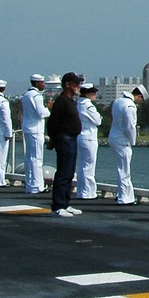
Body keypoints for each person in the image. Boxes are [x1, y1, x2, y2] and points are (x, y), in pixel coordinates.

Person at [48, 72, 83, 217]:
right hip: (64, 138)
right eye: (75, 84)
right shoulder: (61, 101)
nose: (77, 87)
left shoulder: (70, 101)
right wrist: (53, 139)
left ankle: (65, 203)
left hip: (72, 139)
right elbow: (53, 122)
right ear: (67, 85)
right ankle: (58, 205)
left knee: (69, 173)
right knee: (63, 172)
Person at [109, 85, 148, 205]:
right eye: (141, 100)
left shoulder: (118, 101)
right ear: (139, 96)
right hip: (122, 139)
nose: (140, 103)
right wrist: (133, 141)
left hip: (113, 136)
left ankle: (122, 194)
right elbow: (130, 127)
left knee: (121, 168)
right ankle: (125, 198)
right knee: (125, 170)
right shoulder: (130, 106)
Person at [21, 74, 51, 194]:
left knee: (29, 158)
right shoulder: (36, 96)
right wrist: (48, 108)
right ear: (37, 83)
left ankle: (30, 184)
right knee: (36, 158)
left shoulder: (26, 95)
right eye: (42, 82)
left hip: (28, 128)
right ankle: (37, 185)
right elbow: (41, 113)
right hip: (35, 129)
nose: (44, 85)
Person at [75, 83, 102, 200]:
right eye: (93, 92)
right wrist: (100, 117)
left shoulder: (78, 105)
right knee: (89, 166)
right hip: (89, 137)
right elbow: (98, 120)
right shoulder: (89, 106)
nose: (95, 95)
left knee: (82, 165)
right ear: (88, 94)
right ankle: (89, 192)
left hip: (80, 136)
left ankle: (81, 191)